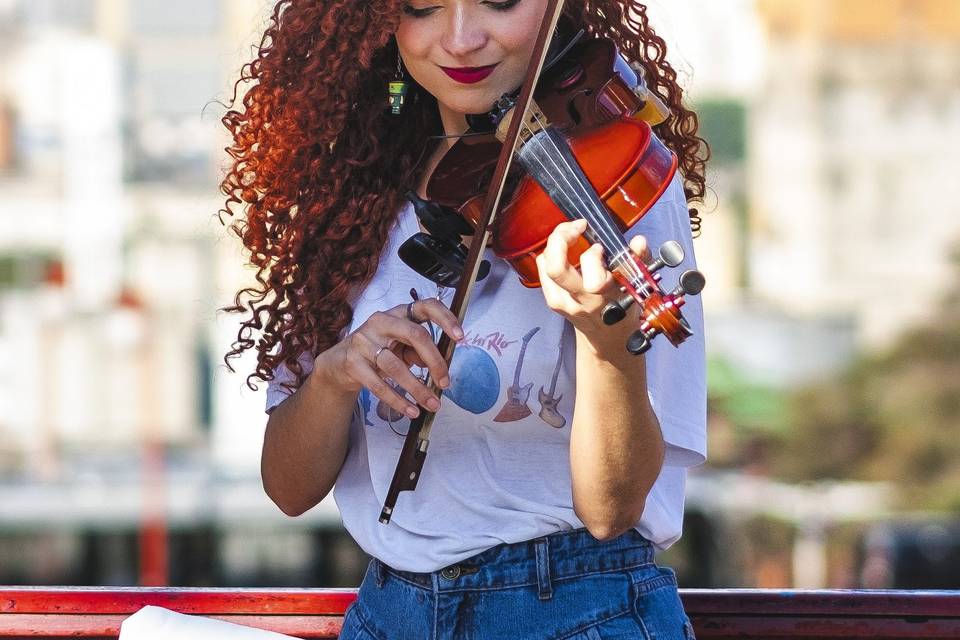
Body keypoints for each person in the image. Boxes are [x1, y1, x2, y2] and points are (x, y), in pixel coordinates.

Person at [221, 0, 708, 638]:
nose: (460, 39)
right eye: (422, 8)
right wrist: (334, 377)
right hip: (389, 611)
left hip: (581, 608)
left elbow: (610, 511)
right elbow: (288, 490)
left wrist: (608, 350)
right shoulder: (349, 195)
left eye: (499, 2)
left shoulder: (623, 172)